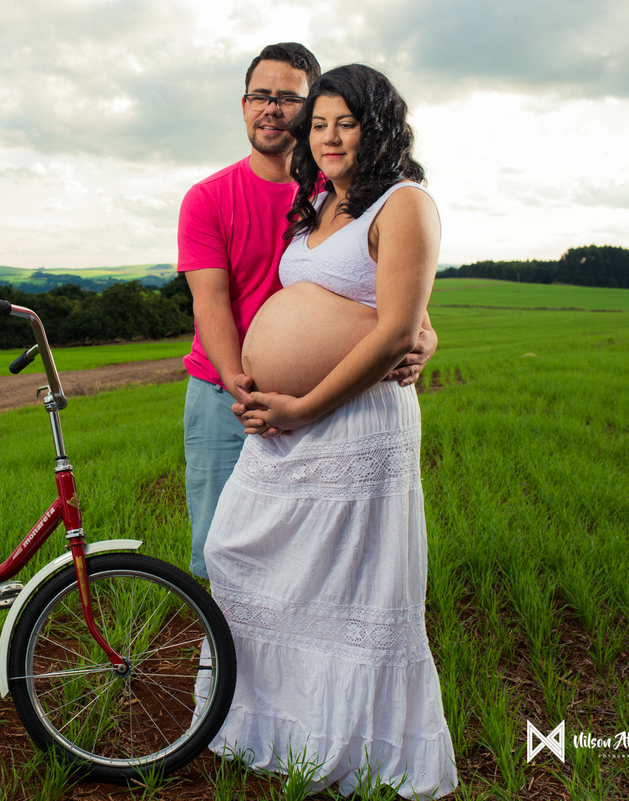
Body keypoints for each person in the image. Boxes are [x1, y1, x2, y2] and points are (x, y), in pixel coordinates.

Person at [201, 64, 458, 798]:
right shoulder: (316, 205)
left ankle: (344, 742)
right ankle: (275, 725)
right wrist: (273, 395)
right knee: (236, 549)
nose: (330, 137)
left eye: (346, 123)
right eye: (319, 124)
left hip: (353, 421)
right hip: (290, 422)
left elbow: (398, 330)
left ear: (379, 128)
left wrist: (304, 405)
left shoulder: (405, 204)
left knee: (349, 584)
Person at [177, 44, 437, 579]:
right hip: (227, 394)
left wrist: (425, 335)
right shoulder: (215, 198)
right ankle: (220, 637)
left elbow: (393, 289)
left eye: (288, 99)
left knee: (306, 556)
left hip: (331, 399)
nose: (272, 108)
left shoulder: (344, 189)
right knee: (220, 544)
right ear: (244, 106)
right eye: (260, 96)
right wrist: (241, 387)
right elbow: (211, 305)